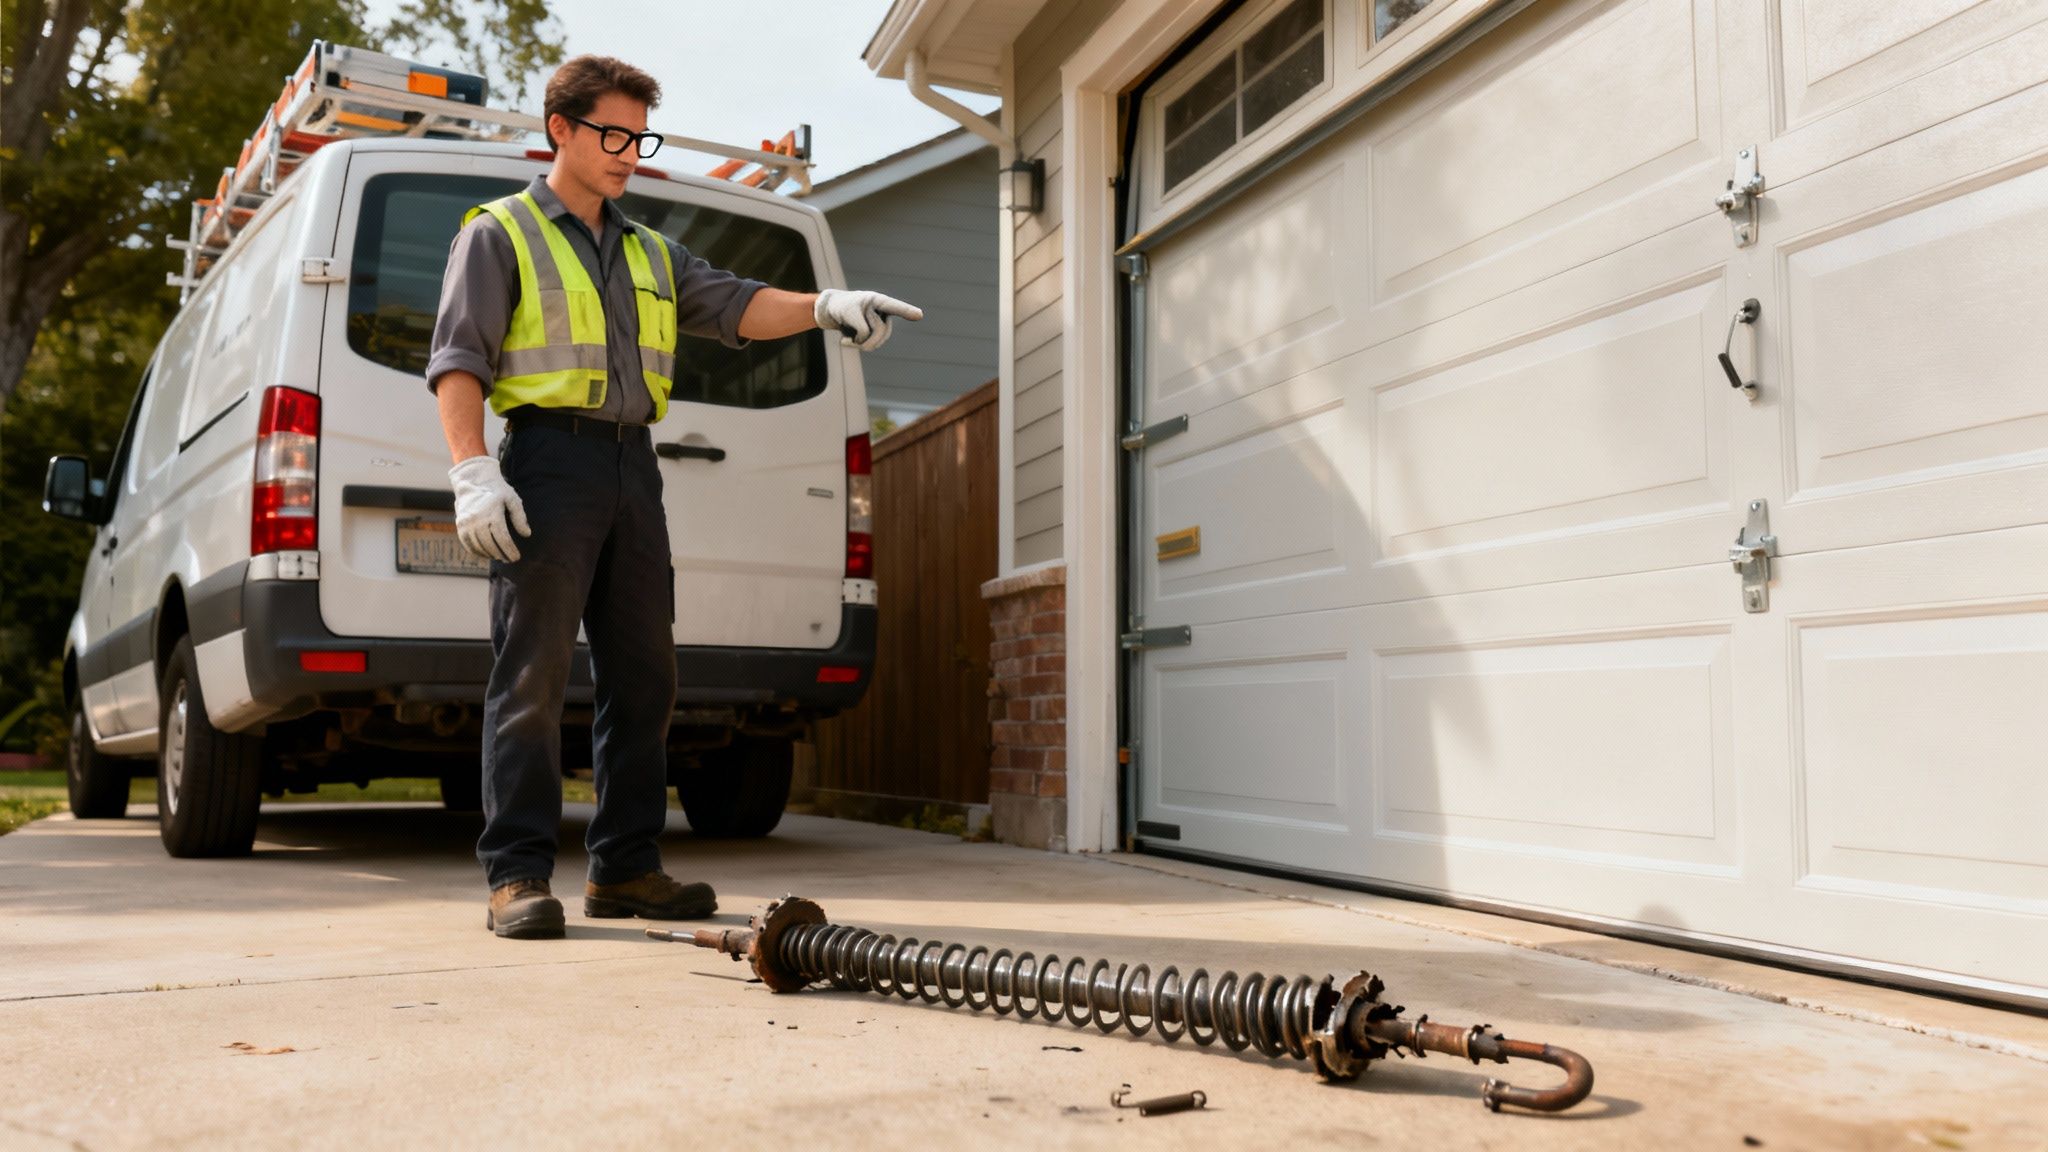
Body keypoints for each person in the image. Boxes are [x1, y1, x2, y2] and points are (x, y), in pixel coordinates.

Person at [427, 54, 919, 939]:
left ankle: (624, 868)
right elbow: (458, 360)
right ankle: (516, 874)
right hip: (546, 462)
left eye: (638, 136)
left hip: (633, 468)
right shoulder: (499, 233)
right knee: (531, 674)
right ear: (561, 132)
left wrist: (825, 306)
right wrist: (472, 471)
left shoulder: (651, 250)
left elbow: (737, 304)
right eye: (611, 134)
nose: (627, 153)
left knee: (646, 676)